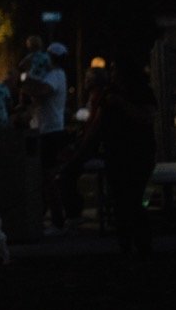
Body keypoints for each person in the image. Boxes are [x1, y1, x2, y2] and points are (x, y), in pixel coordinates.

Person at [63, 56, 158, 260]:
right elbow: (98, 124)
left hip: (137, 153)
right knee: (121, 202)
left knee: (132, 200)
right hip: (118, 153)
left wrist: (122, 104)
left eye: (116, 70)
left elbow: (148, 115)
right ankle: (128, 245)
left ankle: (140, 245)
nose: (113, 74)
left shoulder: (138, 92)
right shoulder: (110, 93)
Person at [23, 40, 72, 233]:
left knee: (48, 177)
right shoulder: (49, 75)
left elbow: (43, 91)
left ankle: (57, 219)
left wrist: (27, 80)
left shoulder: (56, 75)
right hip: (43, 130)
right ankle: (47, 215)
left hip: (51, 131)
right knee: (43, 177)